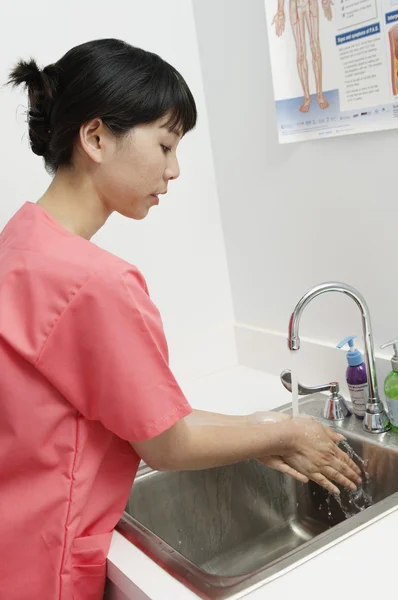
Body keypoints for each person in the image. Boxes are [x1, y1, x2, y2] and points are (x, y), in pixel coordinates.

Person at [0, 38, 361, 600]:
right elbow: (165, 445)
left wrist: (258, 434)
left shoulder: (21, 243)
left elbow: (143, 415)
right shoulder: (97, 282)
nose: (174, 170)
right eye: (165, 145)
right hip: (51, 566)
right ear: (95, 137)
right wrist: (288, 429)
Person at [272, 0, 333, 112]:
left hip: (311, 4)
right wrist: (280, 11)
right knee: (300, 52)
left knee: (315, 46)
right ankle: (306, 97)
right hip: (295, 7)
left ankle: (319, 95)